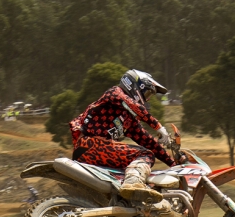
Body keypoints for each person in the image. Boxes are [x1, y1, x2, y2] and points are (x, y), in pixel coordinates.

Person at [69, 69, 175, 203]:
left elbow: (149, 142)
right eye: (147, 93)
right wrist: (158, 126)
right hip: (90, 146)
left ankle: (126, 202)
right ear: (134, 86)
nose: (147, 99)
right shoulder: (114, 93)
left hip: (96, 150)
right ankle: (132, 184)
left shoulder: (128, 119)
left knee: (145, 153)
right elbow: (133, 105)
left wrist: (173, 163)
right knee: (145, 155)